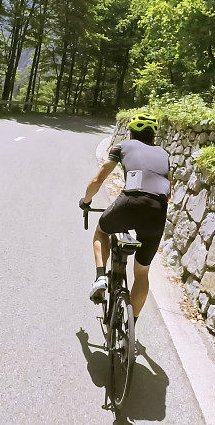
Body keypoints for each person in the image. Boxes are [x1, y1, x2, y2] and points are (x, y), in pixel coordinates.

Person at [79, 113, 170, 323]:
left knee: (101, 230)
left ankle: (101, 276)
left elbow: (98, 178)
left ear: (130, 132)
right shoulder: (164, 154)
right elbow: (168, 192)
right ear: (153, 135)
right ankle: (131, 325)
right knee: (142, 274)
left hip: (130, 202)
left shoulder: (121, 147)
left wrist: (86, 201)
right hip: (157, 210)